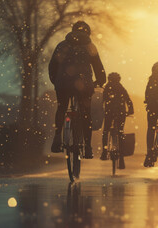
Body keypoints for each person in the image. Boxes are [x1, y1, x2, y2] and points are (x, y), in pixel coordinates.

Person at [49, 21, 106, 158]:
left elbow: (52, 66)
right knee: (86, 113)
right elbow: (99, 68)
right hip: (84, 85)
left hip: (63, 84)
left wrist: (56, 81)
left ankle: (57, 138)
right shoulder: (90, 47)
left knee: (61, 108)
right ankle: (87, 147)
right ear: (88, 33)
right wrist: (99, 82)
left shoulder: (62, 45)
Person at [100, 72, 134, 169]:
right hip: (120, 113)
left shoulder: (107, 88)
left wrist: (100, 110)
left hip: (109, 113)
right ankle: (122, 158)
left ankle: (104, 151)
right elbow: (128, 100)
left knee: (106, 131)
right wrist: (131, 110)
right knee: (120, 133)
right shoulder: (121, 88)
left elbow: (102, 100)